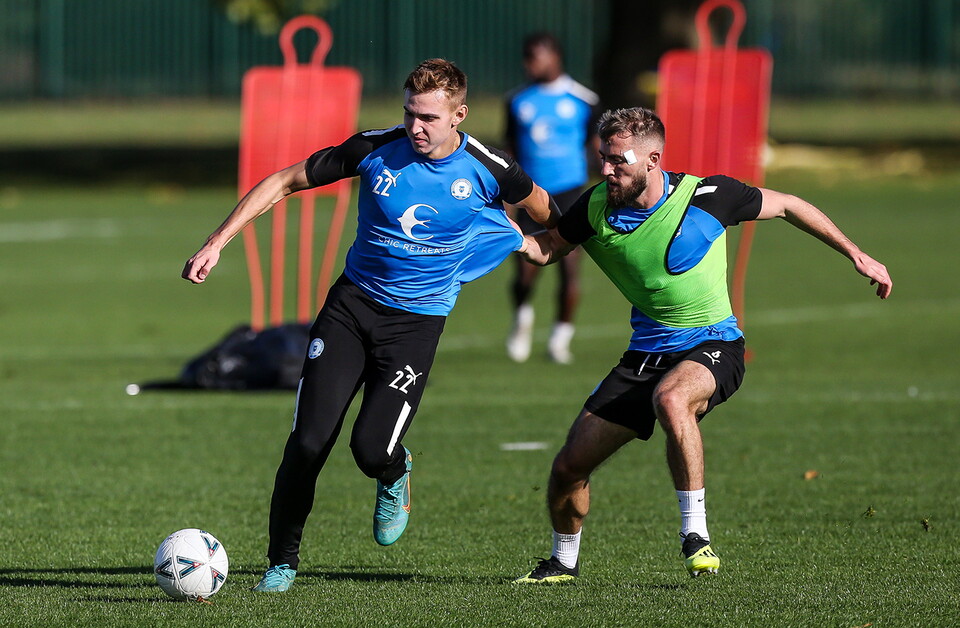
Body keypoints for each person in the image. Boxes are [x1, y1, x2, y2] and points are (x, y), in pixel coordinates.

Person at [182, 58, 558, 592]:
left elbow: (550, 216)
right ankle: (281, 563)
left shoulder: (491, 168)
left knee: (370, 449)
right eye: (409, 114)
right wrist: (217, 243)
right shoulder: (374, 148)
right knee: (308, 442)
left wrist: (535, 247)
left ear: (460, 115)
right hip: (349, 312)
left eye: (428, 117)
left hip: (415, 328)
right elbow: (285, 180)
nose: (416, 128)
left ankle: (394, 470)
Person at [513, 107, 892, 583]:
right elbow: (550, 247)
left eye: (617, 161)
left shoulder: (710, 195)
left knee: (673, 399)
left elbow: (791, 204)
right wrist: (507, 237)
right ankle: (562, 562)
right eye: (602, 159)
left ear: (653, 159)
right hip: (644, 355)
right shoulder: (595, 206)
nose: (607, 170)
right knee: (569, 467)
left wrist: (855, 253)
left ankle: (695, 534)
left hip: (715, 345)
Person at [503, 32, 600, 364]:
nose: (530, 63)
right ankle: (522, 317)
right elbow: (509, 153)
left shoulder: (584, 100)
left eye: (536, 55)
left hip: (570, 192)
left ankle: (560, 338)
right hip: (531, 195)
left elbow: (595, 149)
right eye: (526, 56)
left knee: (570, 270)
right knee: (524, 270)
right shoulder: (517, 100)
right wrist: (508, 200)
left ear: (555, 56)